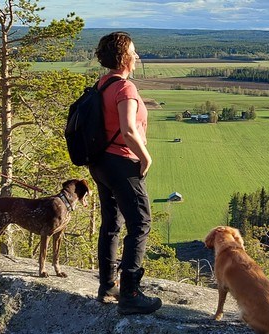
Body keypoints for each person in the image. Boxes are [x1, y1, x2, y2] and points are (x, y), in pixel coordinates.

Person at [89, 31, 162, 315]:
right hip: (121, 162)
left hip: (102, 162)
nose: (137, 55)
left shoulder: (103, 83)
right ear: (124, 57)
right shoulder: (125, 88)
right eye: (134, 51)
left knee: (111, 223)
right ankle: (130, 293)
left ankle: (108, 285)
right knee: (141, 223)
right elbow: (129, 129)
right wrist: (145, 157)